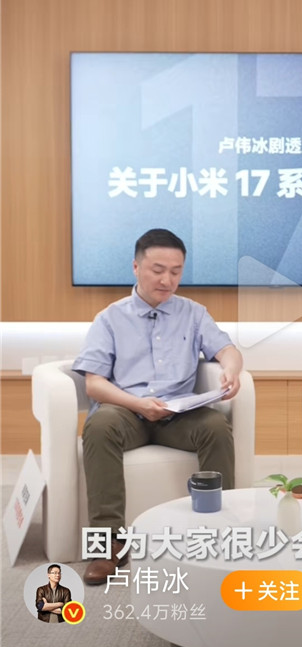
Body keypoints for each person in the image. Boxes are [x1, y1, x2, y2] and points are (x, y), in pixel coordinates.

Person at [73, 228, 243, 584]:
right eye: (158, 270)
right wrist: (139, 403)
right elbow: (94, 383)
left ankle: (218, 532)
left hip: (178, 414)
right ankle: (108, 544)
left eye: (176, 271)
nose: (167, 280)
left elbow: (226, 349)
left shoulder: (194, 313)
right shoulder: (110, 318)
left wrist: (231, 368)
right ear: (136, 267)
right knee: (99, 426)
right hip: (127, 410)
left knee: (215, 426)